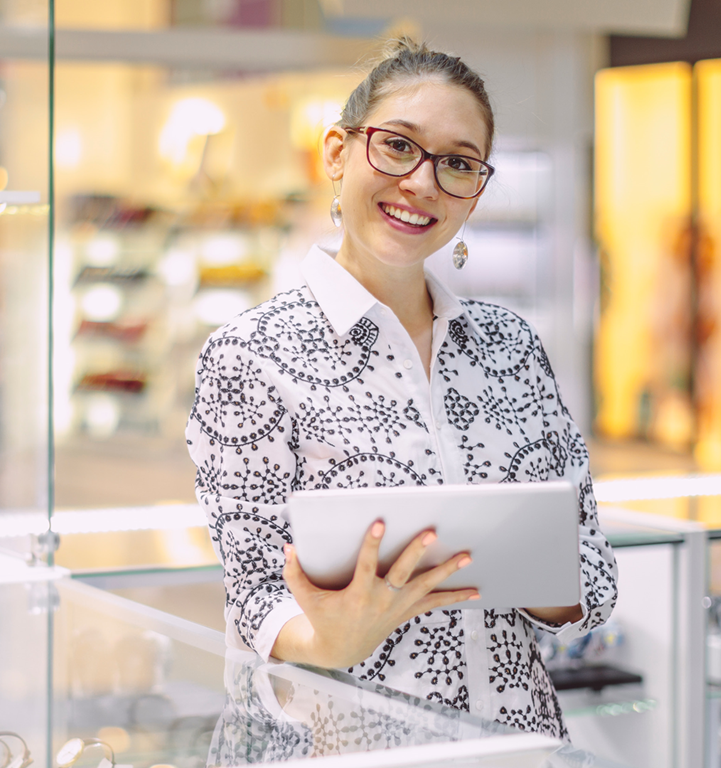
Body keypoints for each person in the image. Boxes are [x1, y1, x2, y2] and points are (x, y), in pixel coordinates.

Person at [186, 38, 618, 741]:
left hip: (513, 742)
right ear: (337, 153)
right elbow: (257, 588)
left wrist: (542, 582)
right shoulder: (251, 354)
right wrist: (330, 641)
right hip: (341, 744)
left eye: (458, 163)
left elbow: (592, 571)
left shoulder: (511, 348)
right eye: (397, 146)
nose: (422, 183)